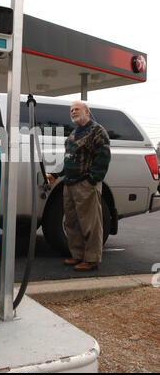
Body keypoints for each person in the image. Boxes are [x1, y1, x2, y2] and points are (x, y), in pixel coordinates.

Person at [47, 100, 111, 271]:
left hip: (85, 184)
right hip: (69, 183)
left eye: (77, 109)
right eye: (72, 110)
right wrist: (54, 174)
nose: (73, 112)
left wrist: (92, 180)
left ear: (87, 112)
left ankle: (91, 260)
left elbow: (103, 157)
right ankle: (77, 255)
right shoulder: (74, 133)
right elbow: (67, 158)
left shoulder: (97, 131)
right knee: (71, 222)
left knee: (90, 222)